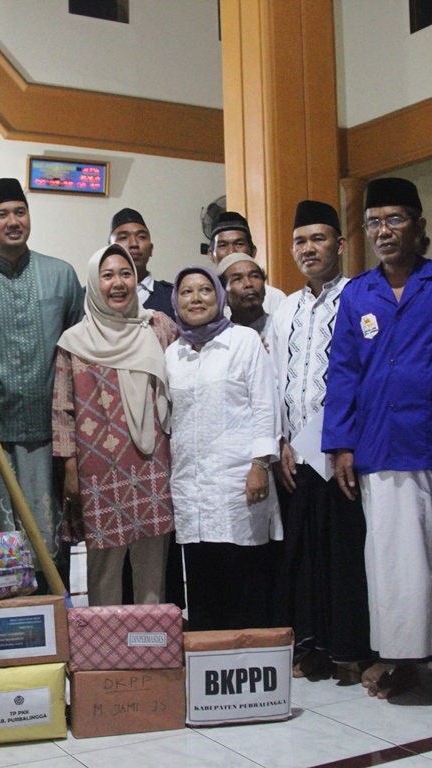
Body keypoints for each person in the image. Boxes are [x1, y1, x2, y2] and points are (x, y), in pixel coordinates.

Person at [322, 177, 432, 699]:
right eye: (374, 222)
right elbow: (341, 372)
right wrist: (340, 443)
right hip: (377, 445)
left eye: (395, 219)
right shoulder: (358, 291)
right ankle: (403, 659)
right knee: (387, 563)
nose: (384, 232)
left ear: (419, 225)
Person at [0, 178, 84, 587]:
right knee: (0, 540)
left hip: (52, 431)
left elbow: (80, 345)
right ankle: (4, 636)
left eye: (19, 212)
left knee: (52, 535)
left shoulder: (61, 274)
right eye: (1, 214)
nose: (12, 221)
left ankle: (56, 623)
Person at [266, 200, 374, 683]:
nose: (309, 249)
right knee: (303, 555)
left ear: (341, 245)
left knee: (347, 553)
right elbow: (276, 380)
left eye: (319, 239)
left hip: (346, 450)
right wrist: (282, 442)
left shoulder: (360, 294)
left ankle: (352, 648)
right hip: (297, 453)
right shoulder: (285, 308)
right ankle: (311, 645)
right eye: (300, 242)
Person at [53, 243, 177, 605]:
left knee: (152, 566)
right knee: (104, 567)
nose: (118, 283)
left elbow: (191, 361)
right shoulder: (74, 342)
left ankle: (151, 648)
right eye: (107, 275)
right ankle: (105, 652)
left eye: (125, 274)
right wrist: (70, 468)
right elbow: (62, 409)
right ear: (93, 283)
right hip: (99, 469)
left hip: (153, 462)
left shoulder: (159, 327)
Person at [166, 265, 282, 630]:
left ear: (219, 297)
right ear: (176, 301)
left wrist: (260, 465)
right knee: (202, 579)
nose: (196, 298)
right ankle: (210, 665)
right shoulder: (172, 354)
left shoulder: (244, 341)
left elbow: (266, 405)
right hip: (191, 485)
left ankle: (250, 662)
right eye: (186, 292)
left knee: (244, 574)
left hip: (239, 481)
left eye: (205, 290)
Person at [208, 210, 286, 316]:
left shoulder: (275, 298)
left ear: (253, 251)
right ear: (211, 255)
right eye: (223, 245)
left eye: (239, 244)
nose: (231, 252)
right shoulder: (206, 300)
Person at [109, 208, 175, 320]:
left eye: (141, 237)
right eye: (124, 237)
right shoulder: (90, 297)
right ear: (110, 250)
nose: (134, 244)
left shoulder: (173, 296)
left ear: (151, 249)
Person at [217, 251, 269, 338]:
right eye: (237, 279)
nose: (249, 284)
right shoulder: (221, 336)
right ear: (222, 293)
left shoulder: (282, 326)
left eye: (255, 276)